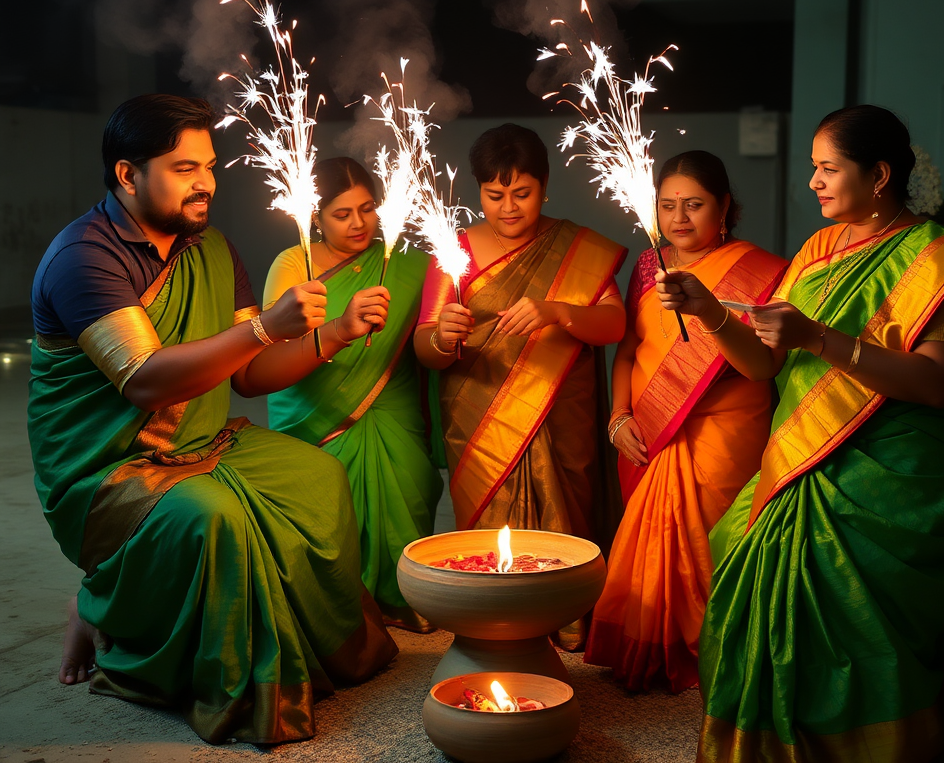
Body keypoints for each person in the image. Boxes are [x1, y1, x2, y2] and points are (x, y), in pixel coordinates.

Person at [656, 106, 944, 761]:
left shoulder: (941, 262)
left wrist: (819, 338)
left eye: (828, 169)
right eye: (813, 169)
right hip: (802, 454)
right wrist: (708, 311)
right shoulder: (821, 251)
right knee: (749, 555)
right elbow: (767, 362)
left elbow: (936, 383)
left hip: (890, 469)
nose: (814, 184)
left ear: (878, 175)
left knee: (850, 605)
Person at [28, 94, 397, 745]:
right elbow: (144, 381)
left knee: (318, 480)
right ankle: (128, 622)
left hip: (204, 442)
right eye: (183, 168)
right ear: (127, 175)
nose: (206, 183)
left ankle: (323, 651)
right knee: (217, 521)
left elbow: (249, 375)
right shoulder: (84, 258)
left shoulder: (213, 250)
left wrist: (334, 331)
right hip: (106, 470)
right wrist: (262, 325)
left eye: (210, 165)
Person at [584, 151, 787, 692]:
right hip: (653, 424)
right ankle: (651, 646)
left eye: (694, 205)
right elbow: (628, 349)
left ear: (724, 206)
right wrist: (618, 416)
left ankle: (716, 649)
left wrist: (709, 311)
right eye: (667, 205)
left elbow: (764, 366)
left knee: (714, 543)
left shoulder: (762, 272)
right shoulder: (651, 267)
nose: (679, 218)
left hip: (728, 427)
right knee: (651, 540)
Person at [414, 124, 627, 573]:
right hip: (479, 419)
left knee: (567, 521)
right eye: (495, 194)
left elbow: (615, 324)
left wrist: (558, 311)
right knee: (487, 533)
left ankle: (565, 618)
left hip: (562, 412)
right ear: (478, 190)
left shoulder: (577, 249)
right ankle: (492, 617)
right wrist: (441, 336)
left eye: (522, 193)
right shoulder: (456, 252)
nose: (509, 207)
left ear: (545, 186)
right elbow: (425, 347)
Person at [263, 156, 441, 632]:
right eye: (342, 214)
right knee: (329, 510)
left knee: (409, 490)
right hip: (317, 409)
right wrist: (342, 328)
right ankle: (345, 608)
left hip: (393, 403)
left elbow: (427, 336)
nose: (359, 223)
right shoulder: (293, 265)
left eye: (367, 208)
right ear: (316, 217)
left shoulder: (405, 264)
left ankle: (406, 597)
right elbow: (272, 352)